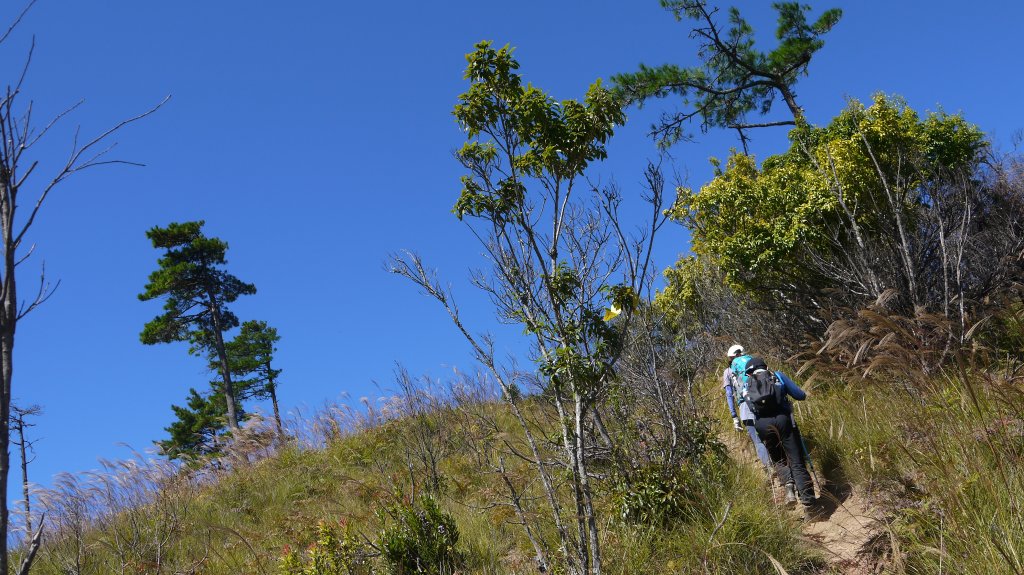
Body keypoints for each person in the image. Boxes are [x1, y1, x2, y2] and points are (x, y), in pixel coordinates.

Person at [742, 356, 815, 507]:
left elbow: (750, 407)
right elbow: (800, 395)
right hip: (784, 420)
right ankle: (808, 503)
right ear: (766, 367)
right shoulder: (778, 375)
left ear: (749, 373)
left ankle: (788, 486)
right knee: (796, 460)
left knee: (778, 459)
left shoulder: (746, 385)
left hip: (762, 425)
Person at [722, 344, 771, 468]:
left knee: (758, 441)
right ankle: (783, 466)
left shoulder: (728, 371)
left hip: (745, 407)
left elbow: (729, 394)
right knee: (771, 435)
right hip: (765, 402)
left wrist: (734, 416)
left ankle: (770, 469)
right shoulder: (755, 363)